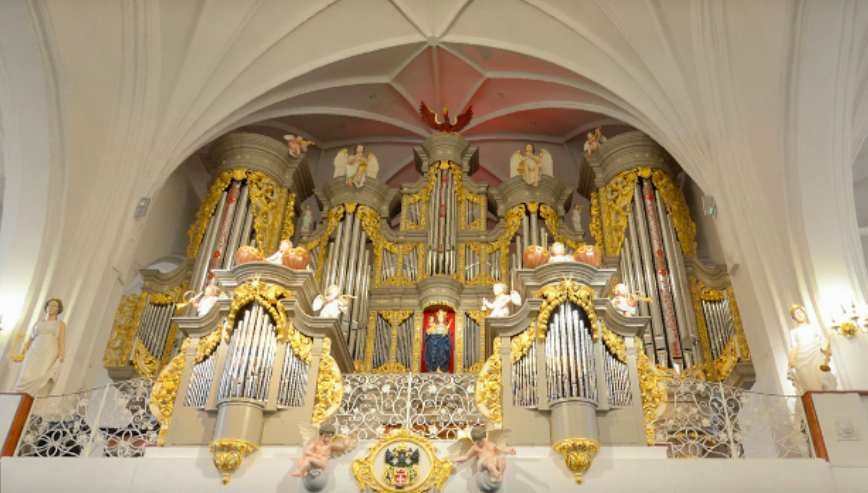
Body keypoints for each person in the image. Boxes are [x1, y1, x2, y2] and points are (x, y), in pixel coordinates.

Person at [14, 298, 66, 397]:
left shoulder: (60, 324)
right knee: (25, 374)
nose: (51, 307)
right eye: (49, 305)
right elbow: (31, 339)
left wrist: (62, 352)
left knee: (41, 373)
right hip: (34, 348)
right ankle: (20, 397)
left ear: (58, 309)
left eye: (54, 306)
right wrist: (22, 354)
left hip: (49, 349)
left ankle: (34, 398)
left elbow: (61, 339)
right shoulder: (38, 323)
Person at [787, 304, 837, 394]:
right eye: (796, 314)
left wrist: (826, 349)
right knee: (809, 387)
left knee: (823, 379)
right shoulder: (793, 332)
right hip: (801, 359)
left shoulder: (814, 327)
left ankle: (829, 397)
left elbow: (822, 340)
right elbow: (794, 347)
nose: (799, 315)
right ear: (794, 317)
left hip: (816, 354)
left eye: (800, 312)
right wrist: (791, 360)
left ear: (804, 314)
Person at [291, 424, 357, 477]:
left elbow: (343, 446)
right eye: (325, 436)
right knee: (301, 459)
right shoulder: (315, 443)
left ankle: (300, 472)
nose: (327, 439)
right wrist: (315, 455)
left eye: (329, 437)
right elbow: (306, 451)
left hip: (322, 463)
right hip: (314, 461)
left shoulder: (330, 445)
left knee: (308, 459)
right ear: (321, 435)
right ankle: (304, 471)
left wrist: (350, 437)